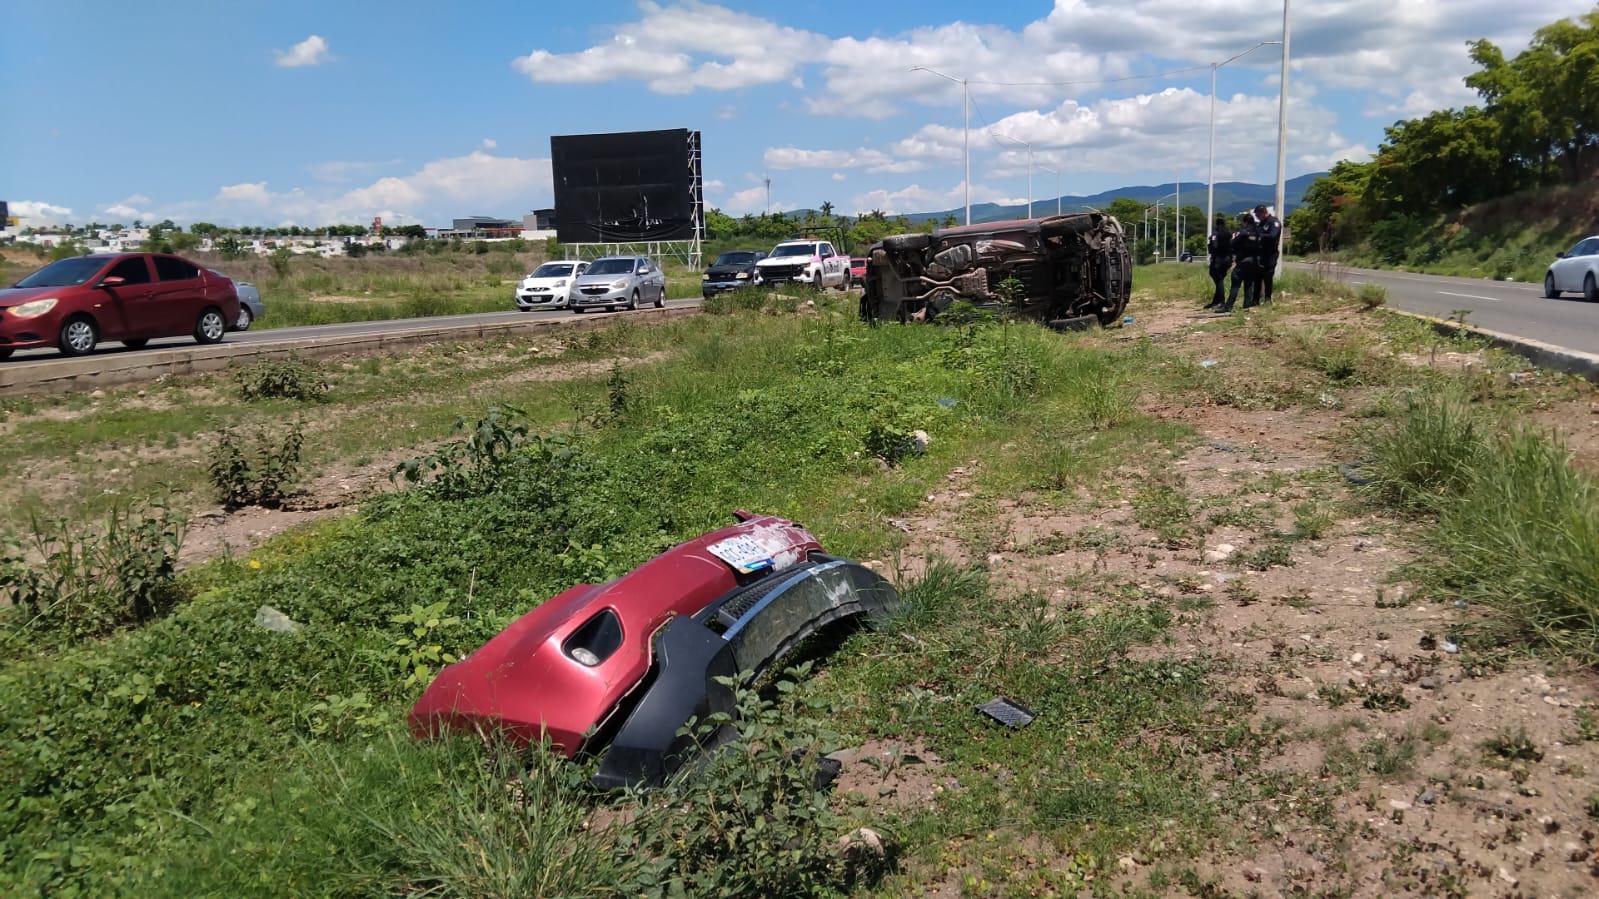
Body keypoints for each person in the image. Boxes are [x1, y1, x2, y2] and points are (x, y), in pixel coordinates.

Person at [1221, 212, 1260, 311]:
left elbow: (1232, 244)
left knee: (1235, 284)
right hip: (1254, 261)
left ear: (1245, 222)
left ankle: (1228, 306)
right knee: (1249, 284)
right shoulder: (1258, 233)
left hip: (1243, 261)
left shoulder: (1243, 233)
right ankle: (1247, 305)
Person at [1204, 214, 1233, 310]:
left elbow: (1214, 245)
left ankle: (1221, 301)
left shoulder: (1215, 233)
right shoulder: (1229, 233)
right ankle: (1216, 301)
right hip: (1228, 259)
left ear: (1216, 224)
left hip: (1218, 259)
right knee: (1219, 279)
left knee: (1218, 279)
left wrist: (1213, 255)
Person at [1254, 203, 1282, 303]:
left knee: (1268, 276)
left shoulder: (1273, 222)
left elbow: (1273, 235)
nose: (1257, 217)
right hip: (1260, 254)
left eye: (1257, 214)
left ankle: (1268, 298)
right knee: (1257, 277)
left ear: (1263, 212)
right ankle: (1256, 299)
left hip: (1270, 254)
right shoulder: (1261, 223)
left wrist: (1260, 235)